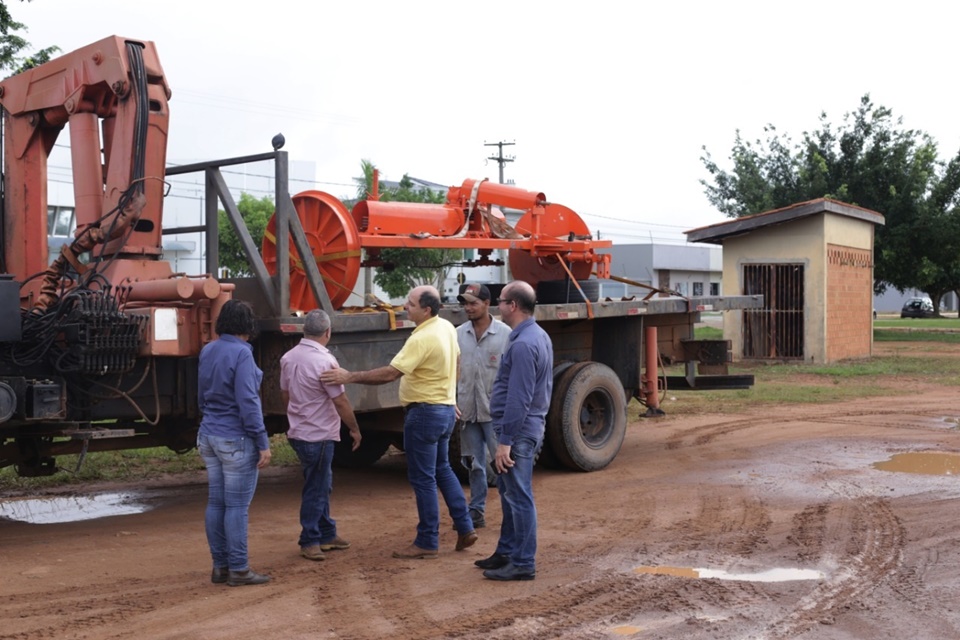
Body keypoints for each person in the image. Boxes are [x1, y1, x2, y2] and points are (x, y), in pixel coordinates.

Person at [321, 285, 477, 559]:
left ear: (426, 309)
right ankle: (465, 527)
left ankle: (427, 541)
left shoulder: (422, 338)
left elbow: (390, 374)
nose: (406, 306)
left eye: (411, 303)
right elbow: (458, 361)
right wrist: (451, 397)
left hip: (424, 414)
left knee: (423, 478)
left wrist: (349, 377)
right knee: (442, 470)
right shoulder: (445, 328)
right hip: (442, 411)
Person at [476, 280, 553, 581]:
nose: (497, 305)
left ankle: (523, 562)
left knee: (519, 497)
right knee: (511, 495)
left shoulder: (522, 343)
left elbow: (519, 398)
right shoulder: (535, 335)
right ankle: (507, 552)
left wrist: (505, 442)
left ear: (513, 306)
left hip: (519, 433)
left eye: (501, 300)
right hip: (524, 430)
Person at [197, 299, 272, 587]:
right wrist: (262, 441)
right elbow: (248, 401)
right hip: (236, 437)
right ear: (248, 325)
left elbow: (201, 394)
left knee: (217, 503)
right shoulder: (242, 354)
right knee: (237, 506)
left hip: (209, 434)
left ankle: (221, 567)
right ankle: (239, 569)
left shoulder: (208, 349)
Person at [280, 309, 362, 562]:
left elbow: (285, 394)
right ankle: (310, 540)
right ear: (328, 332)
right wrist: (355, 428)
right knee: (317, 487)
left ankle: (326, 533)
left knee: (320, 482)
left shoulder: (288, 357)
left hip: (299, 432)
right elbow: (340, 400)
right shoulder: (324, 362)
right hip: (319, 434)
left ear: (304, 330)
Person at [456, 283, 510, 529]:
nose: (468, 308)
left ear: (487, 304)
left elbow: (512, 376)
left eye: (473, 303)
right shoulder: (457, 334)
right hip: (467, 411)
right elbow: (451, 372)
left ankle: (512, 510)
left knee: (503, 464)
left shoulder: (506, 334)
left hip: (495, 414)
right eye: (465, 303)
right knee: (474, 464)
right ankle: (476, 511)